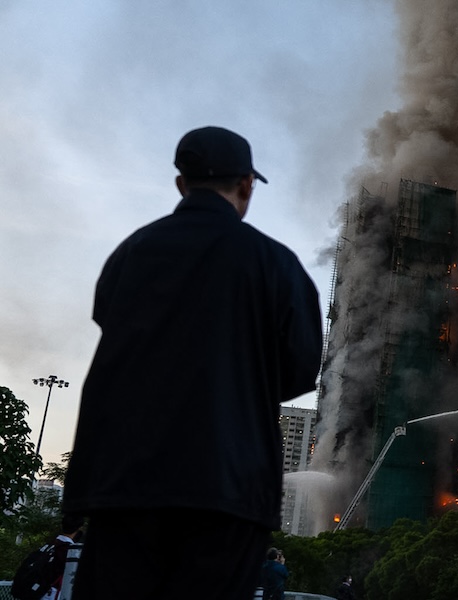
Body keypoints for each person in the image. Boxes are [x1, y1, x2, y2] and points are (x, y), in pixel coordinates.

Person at [62, 126, 324, 600]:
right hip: (226, 489)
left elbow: (110, 325)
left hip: (124, 485)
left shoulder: (131, 253)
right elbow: (301, 369)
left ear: (181, 184)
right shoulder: (276, 263)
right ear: (246, 185)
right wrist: (240, 386)